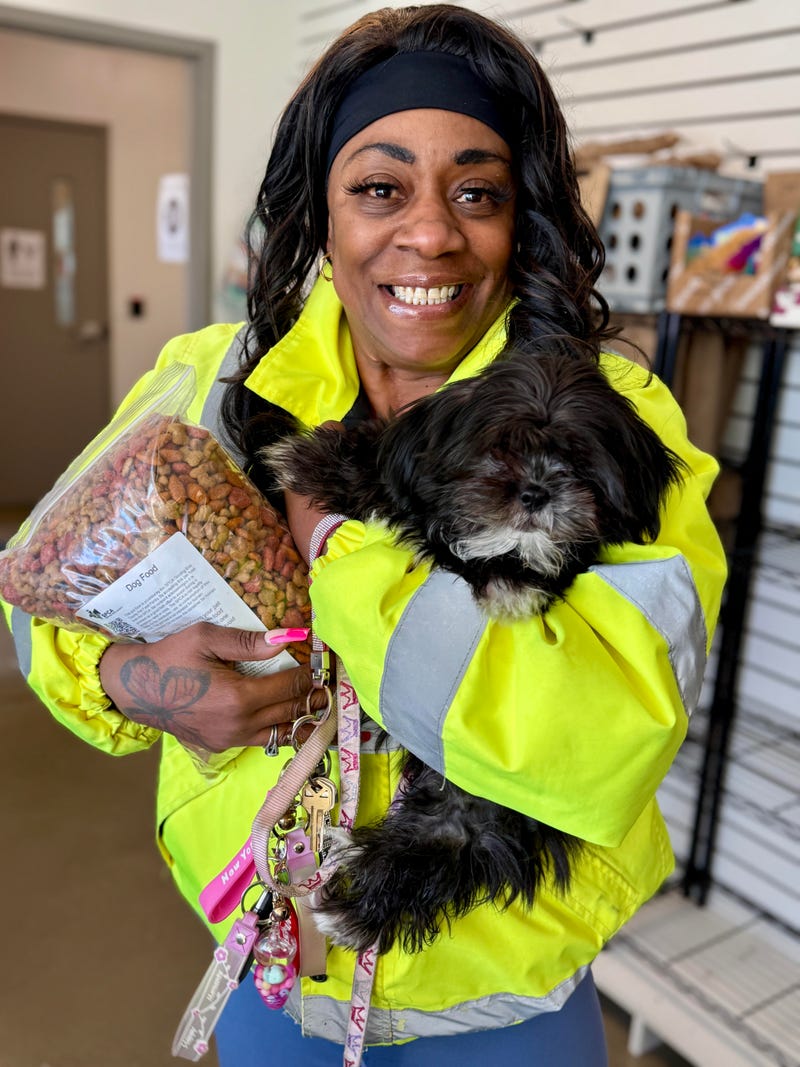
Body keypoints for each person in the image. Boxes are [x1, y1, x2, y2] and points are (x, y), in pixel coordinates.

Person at [2, 5, 727, 1065]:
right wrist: (128, 678)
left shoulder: (609, 416)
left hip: (501, 1004)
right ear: (323, 211)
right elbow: (37, 594)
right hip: (267, 970)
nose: (429, 233)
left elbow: (603, 731)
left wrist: (339, 544)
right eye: (379, 187)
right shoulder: (209, 381)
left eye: (475, 192)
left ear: (519, 215)